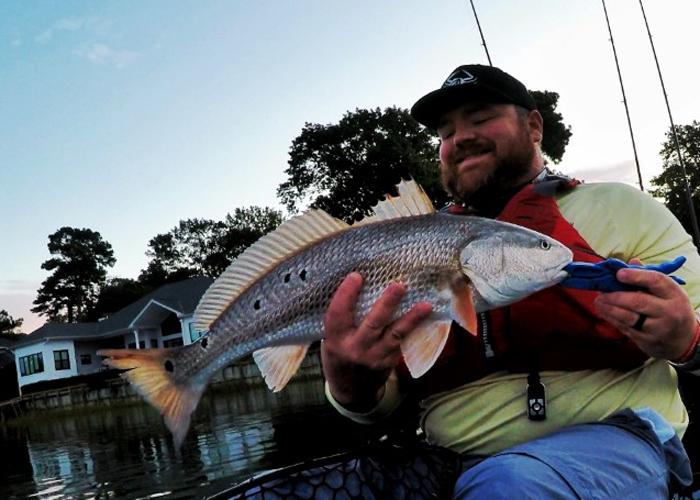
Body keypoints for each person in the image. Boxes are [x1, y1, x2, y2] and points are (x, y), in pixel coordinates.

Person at [320, 64, 700, 498]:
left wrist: (686, 339)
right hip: (442, 464)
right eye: (445, 133)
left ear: (534, 126)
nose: (459, 138)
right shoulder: (410, 245)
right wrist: (350, 390)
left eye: (481, 119)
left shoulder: (621, 206)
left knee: (507, 487)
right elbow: (377, 403)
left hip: (619, 443)